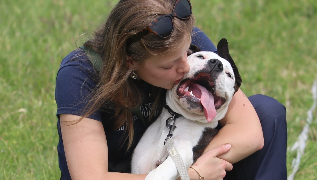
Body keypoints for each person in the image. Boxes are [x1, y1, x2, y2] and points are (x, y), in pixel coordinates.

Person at [55, 0, 287, 179]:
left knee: (267, 113)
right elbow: (90, 177)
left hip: (179, 161)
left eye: (187, 53)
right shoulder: (80, 73)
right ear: (130, 62)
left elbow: (250, 133)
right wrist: (187, 175)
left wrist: (192, 167)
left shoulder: (178, 35)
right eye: (168, 65)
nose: (185, 67)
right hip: (121, 174)